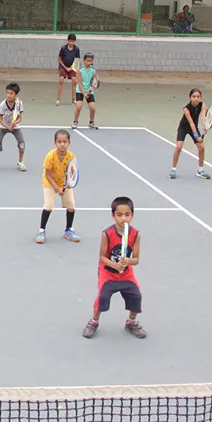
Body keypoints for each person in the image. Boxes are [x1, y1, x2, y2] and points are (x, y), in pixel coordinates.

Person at [82, 196, 145, 339]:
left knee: (136, 296)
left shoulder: (135, 235)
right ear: (113, 216)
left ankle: (131, 322)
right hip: (108, 273)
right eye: (119, 215)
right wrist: (115, 265)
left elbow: (136, 259)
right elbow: (102, 257)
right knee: (102, 297)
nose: (123, 219)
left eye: (127, 215)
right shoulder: (107, 234)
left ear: (132, 215)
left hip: (126, 274)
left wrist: (128, 261)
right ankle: (94, 322)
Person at [37, 130, 79, 243]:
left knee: (71, 206)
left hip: (64, 182)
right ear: (55, 143)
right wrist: (56, 188)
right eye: (59, 141)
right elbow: (48, 175)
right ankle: (41, 230)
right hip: (49, 182)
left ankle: (68, 230)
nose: (62, 144)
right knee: (49, 205)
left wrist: (65, 186)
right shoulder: (50, 156)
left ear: (69, 143)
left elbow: (71, 174)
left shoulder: (71, 157)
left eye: (64, 141)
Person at [170, 88, 211, 180]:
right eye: (194, 96)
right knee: (179, 147)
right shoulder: (186, 109)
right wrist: (197, 136)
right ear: (190, 98)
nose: (196, 98)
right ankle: (173, 169)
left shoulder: (202, 105)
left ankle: (200, 170)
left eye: (198, 97)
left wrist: (205, 126)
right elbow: (191, 123)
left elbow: (203, 117)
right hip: (184, 127)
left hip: (194, 127)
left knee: (201, 147)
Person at [0, 83, 26, 171]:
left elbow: (20, 118)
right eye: (7, 93)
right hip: (3, 126)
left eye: (11, 93)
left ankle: (20, 163)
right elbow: (0, 119)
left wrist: (14, 124)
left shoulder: (19, 104)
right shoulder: (2, 104)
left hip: (15, 127)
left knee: (21, 142)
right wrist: (8, 126)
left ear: (16, 95)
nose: (8, 95)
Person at [73, 53, 99, 130]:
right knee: (78, 107)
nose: (89, 62)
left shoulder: (93, 70)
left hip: (89, 91)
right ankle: (75, 122)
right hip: (80, 91)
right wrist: (84, 93)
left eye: (90, 61)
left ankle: (91, 122)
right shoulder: (80, 70)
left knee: (93, 108)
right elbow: (79, 83)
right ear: (84, 60)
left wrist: (90, 91)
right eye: (87, 61)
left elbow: (94, 82)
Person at [56, 34, 80, 106]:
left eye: (73, 41)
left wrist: (72, 68)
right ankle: (58, 99)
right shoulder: (63, 48)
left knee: (74, 80)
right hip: (63, 67)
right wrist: (65, 67)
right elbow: (59, 59)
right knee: (61, 80)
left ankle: (73, 99)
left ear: (75, 41)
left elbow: (77, 60)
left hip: (72, 67)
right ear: (68, 41)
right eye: (70, 41)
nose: (71, 43)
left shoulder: (76, 49)